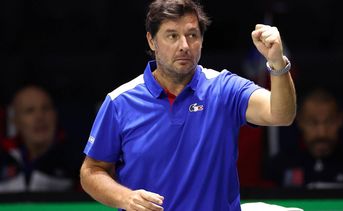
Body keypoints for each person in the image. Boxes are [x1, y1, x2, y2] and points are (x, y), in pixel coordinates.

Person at [80, 0, 297, 210]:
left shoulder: (224, 88)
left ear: (201, 40)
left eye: (192, 35)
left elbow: (281, 114)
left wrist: (277, 63)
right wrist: (125, 198)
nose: (184, 45)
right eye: (172, 36)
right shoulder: (120, 102)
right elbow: (91, 171)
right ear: (151, 40)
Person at [264, 87, 343, 189]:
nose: (322, 132)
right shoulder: (279, 165)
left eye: (329, 122)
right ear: (300, 121)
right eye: (313, 123)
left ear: (340, 120)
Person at [0, 84, 82, 192]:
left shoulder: (78, 160)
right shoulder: (3, 157)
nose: (39, 117)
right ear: (15, 120)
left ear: (55, 115)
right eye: (30, 110)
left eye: (46, 108)